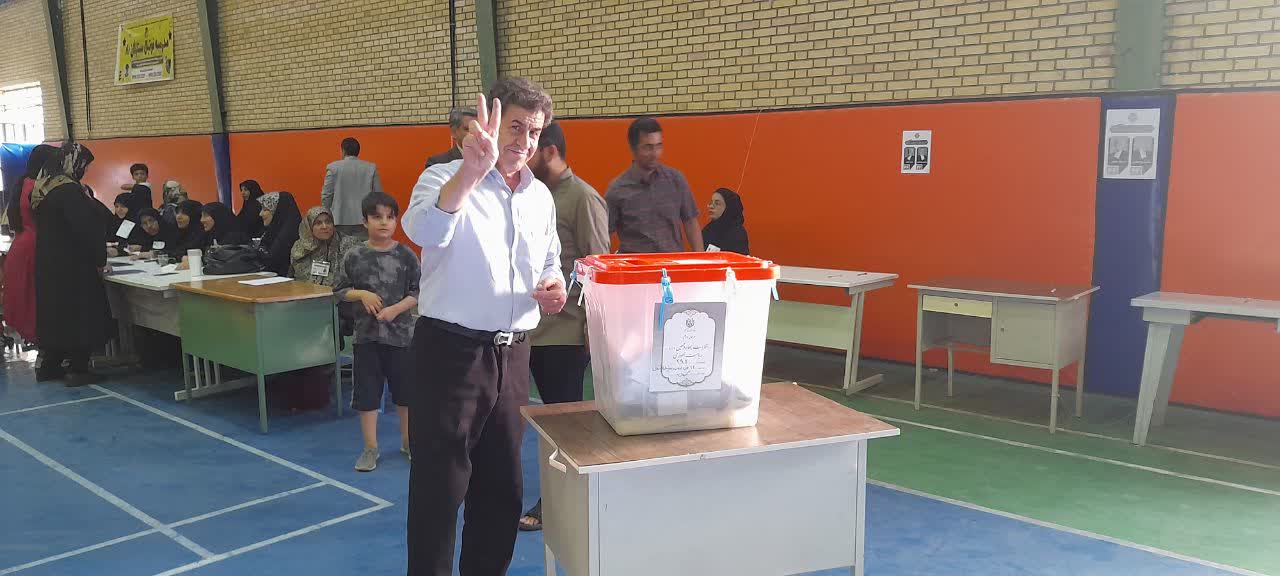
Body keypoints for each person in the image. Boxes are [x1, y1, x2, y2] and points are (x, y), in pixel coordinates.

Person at [402, 80, 567, 576]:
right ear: (488, 126)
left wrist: (554, 285)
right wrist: (471, 174)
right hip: (451, 354)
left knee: (502, 490)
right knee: (440, 489)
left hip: (513, 356)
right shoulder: (443, 177)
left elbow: (550, 261)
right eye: (515, 127)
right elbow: (424, 231)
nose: (524, 141)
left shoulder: (540, 197)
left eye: (534, 132)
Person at [518, 120, 608, 532]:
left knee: (564, 422)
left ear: (550, 151)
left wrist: (594, 329)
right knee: (538, 420)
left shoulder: (583, 198)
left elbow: (599, 267)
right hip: (528, 328)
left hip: (566, 330)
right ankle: (555, 491)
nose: (522, 154)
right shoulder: (530, 195)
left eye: (532, 147)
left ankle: (561, 500)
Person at [334, 192, 420, 472]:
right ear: (364, 221)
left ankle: (409, 442)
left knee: (407, 394)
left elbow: (418, 292)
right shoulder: (354, 255)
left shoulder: (406, 255)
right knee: (367, 395)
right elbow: (338, 290)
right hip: (366, 338)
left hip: (402, 338)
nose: (384, 222)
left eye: (390, 217)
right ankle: (370, 448)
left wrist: (395, 309)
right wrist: (361, 294)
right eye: (376, 217)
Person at [33, 143, 108, 385]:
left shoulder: (45, 188)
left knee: (55, 313)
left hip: (48, 261)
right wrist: (100, 258)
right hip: (73, 263)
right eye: (84, 165)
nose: (84, 170)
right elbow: (86, 228)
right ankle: (77, 368)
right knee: (81, 312)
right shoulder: (70, 191)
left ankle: (50, 365)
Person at [606, 116, 704, 253]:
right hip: (636, 265)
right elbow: (604, 235)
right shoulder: (617, 190)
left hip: (671, 263)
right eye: (648, 147)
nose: (655, 154)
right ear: (633, 149)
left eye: (659, 146)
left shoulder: (676, 180)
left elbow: (691, 222)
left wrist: (700, 260)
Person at [3, 144, 57, 344]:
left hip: (20, 244)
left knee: (24, 297)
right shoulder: (40, 187)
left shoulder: (22, 182)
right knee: (37, 298)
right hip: (35, 245)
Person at [321, 137, 384, 240]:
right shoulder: (371, 168)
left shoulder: (333, 168)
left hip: (339, 219)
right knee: (362, 248)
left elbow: (326, 195)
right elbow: (378, 195)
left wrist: (326, 215)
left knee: (342, 248)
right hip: (364, 220)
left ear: (343, 150)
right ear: (358, 151)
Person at [290, 206, 359, 285]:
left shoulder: (349, 244)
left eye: (328, 222)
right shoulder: (300, 247)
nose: (324, 226)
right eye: (318, 223)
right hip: (305, 290)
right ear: (309, 226)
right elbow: (295, 276)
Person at [258, 191, 303, 276]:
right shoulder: (271, 233)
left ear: (278, 211)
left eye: (265, 209)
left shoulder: (288, 237)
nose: (260, 214)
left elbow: (271, 261)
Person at [701, 187, 749, 255]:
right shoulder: (707, 230)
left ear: (728, 207)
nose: (711, 206)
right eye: (711, 203)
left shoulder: (737, 233)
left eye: (717, 203)